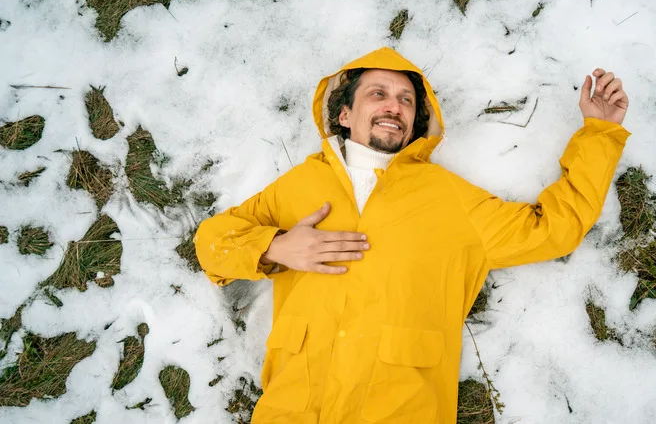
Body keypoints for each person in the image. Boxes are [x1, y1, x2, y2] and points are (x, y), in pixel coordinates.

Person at [194, 47, 630, 423]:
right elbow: (211, 244)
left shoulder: (447, 197)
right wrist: (275, 246)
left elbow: (553, 229)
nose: (394, 106)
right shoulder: (300, 187)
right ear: (344, 114)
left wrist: (600, 133)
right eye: (378, 94)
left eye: (406, 99)